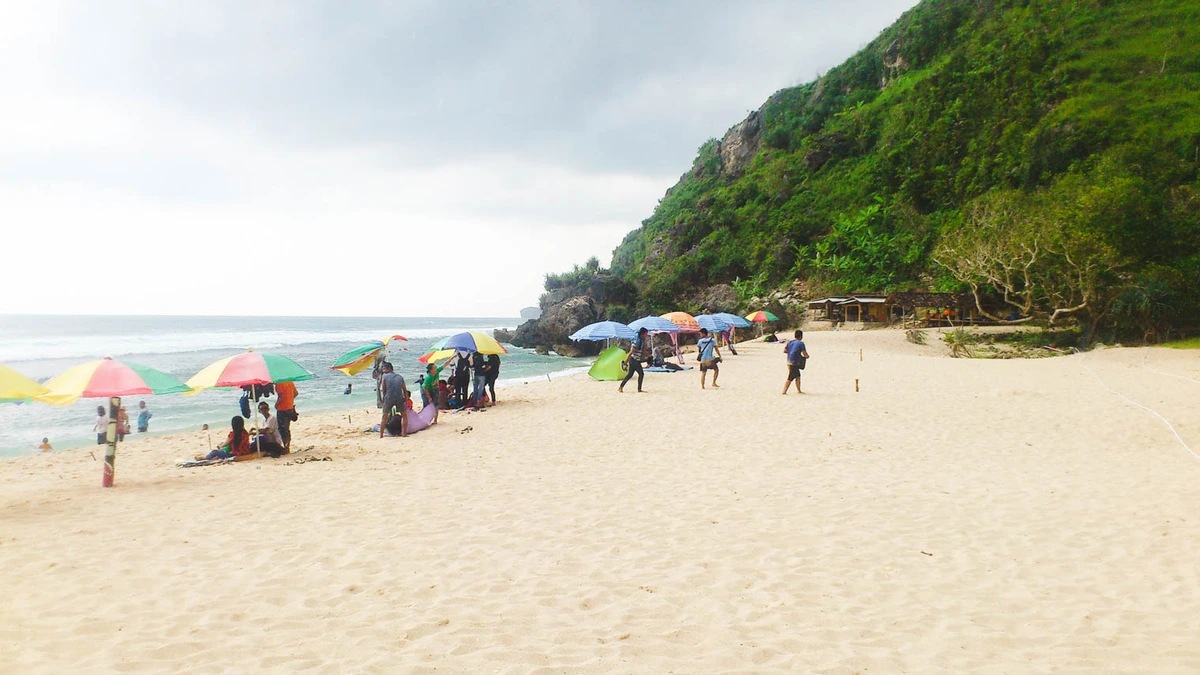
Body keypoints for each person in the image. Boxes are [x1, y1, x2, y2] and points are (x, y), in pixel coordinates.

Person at [379, 361, 408, 438]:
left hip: (389, 398)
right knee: (404, 416)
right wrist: (406, 399)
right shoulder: (400, 377)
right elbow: (404, 390)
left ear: (389, 369)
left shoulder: (384, 376)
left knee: (384, 416)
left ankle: (381, 435)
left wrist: (384, 399)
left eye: (384, 369)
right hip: (399, 397)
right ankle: (404, 434)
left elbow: (384, 389)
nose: (383, 371)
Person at [619, 327, 650, 393]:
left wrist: (649, 355)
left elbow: (642, 350)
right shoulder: (636, 341)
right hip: (634, 360)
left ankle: (621, 387)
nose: (647, 335)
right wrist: (625, 362)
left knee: (630, 375)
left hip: (636, 360)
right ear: (642, 333)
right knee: (641, 374)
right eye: (646, 333)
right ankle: (639, 389)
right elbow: (631, 352)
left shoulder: (642, 341)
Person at [783, 329, 810, 394]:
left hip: (789, 361)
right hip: (794, 363)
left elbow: (785, 351)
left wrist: (791, 352)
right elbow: (804, 353)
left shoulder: (790, 342)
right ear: (801, 336)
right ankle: (784, 391)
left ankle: (799, 390)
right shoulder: (801, 343)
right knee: (790, 377)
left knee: (798, 376)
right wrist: (807, 356)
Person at [275, 381, 298, 453]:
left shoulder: (279, 384)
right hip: (290, 407)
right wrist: (289, 399)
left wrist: (276, 404)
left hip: (282, 409)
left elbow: (281, 396)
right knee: (286, 428)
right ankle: (287, 446)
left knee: (281, 428)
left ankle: (286, 446)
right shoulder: (290, 382)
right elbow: (296, 393)